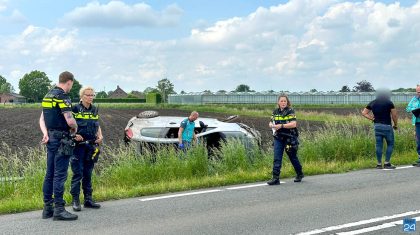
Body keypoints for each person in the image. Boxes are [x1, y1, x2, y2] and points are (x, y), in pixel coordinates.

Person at [39, 71, 78, 221]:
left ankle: (47, 208)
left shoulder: (47, 96)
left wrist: (45, 133)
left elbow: (42, 119)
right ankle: (59, 210)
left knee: (49, 174)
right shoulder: (62, 96)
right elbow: (69, 121)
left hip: (51, 138)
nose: (70, 87)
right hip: (62, 139)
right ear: (69, 82)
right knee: (60, 175)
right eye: (71, 85)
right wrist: (75, 128)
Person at [70, 86, 103, 211]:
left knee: (88, 174)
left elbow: (97, 124)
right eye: (88, 95)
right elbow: (68, 124)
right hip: (78, 147)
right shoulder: (75, 108)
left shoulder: (94, 109)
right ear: (82, 96)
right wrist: (73, 135)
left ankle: (88, 199)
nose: (90, 97)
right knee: (77, 174)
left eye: (92, 95)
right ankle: (75, 201)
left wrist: (100, 135)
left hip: (91, 145)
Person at [267, 95, 303, 185]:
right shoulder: (275, 112)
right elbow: (271, 121)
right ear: (278, 102)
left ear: (287, 102)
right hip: (278, 137)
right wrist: (271, 125)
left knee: (292, 157)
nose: (283, 103)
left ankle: (299, 173)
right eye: (281, 101)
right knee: (277, 158)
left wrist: (281, 126)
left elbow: (294, 124)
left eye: (285, 101)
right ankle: (275, 178)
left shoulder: (290, 111)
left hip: (289, 137)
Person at [362, 89, 398, 169]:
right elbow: (394, 115)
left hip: (377, 126)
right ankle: (387, 163)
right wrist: (395, 125)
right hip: (387, 126)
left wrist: (372, 119)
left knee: (379, 145)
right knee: (390, 144)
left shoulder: (373, 102)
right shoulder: (389, 103)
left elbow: (364, 113)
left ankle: (378, 164)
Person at [406, 85, 420, 166]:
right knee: (419, 141)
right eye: (418, 92)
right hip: (417, 123)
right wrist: (413, 110)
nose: (419, 93)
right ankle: (419, 158)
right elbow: (407, 108)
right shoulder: (414, 99)